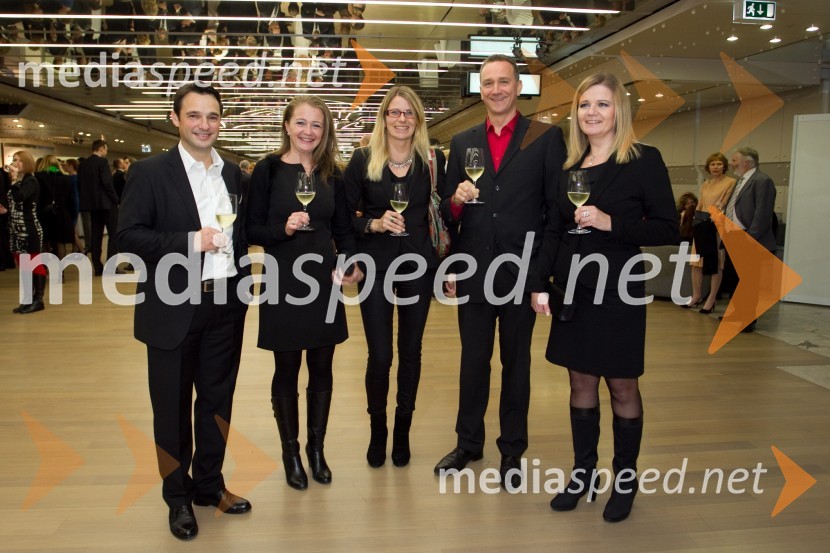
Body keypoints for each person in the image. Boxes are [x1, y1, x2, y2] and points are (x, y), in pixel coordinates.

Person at [530, 73, 678, 522]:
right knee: (579, 382)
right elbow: (553, 230)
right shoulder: (569, 166)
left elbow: (668, 228)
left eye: (602, 104)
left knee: (621, 384)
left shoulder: (642, 160)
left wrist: (611, 223)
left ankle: (625, 478)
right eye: (584, 105)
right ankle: (583, 473)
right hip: (573, 288)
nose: (591, 112)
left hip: (619, 288)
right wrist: (539, 283)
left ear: (619, 111)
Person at [117, 83, 251, 541]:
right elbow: (128, 238)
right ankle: (177, 498)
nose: (204, 124)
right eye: (194, 115)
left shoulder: (232, 175)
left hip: (226, 304)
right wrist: (190, 240)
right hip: (172, 308)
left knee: (217, 403)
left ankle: (209, 486)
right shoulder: (149, 172)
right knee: (171, 410)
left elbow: (246, 233)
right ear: (175, 119)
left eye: (212, 116)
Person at [434, 54, 566, 487]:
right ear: (480, 88)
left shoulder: (545, 139)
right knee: (473, 363)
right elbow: (449, 214)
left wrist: (540, 279)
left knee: (516, 364)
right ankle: (468, 443)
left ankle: (512, 450)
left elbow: (553, 214)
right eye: (488, 82)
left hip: (520, 273)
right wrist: (455, 202)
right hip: (474, 272)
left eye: (503, 81)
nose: (496, 90)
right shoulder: (462, 141)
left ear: (519, 85)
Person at [246, 95, 363, 490]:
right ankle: (291, 452)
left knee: (322, 367)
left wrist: (351, 263)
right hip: (282, 280)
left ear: (325, 130)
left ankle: (317, 449)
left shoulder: (334, 174)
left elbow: (344, 228)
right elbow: (250, 230)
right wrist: (284, 229)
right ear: (287, 125)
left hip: (323, 281)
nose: (308, 131)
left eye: (316, 124)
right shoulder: (267, 170)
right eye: (301, 123)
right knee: (286, 369)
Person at [344, 85, 446, 468]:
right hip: (376, 269)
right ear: (383, 117)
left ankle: (402, 429)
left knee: (411, 352)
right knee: (381, 355)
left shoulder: (432, 161)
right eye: (394, 112)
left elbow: (445, 214)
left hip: (418, 268)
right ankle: (378, 429)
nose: (401, 119)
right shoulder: (362, 160)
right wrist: (372, 223)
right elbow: (345, 217)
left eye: (409, 113)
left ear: (417, 119)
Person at [721, 146, 777, 333]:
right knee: (736, 278)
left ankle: (747, 319)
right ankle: (737, 312)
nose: (731, 163)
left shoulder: (763, 181)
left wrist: (750, 239)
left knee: (750, 282)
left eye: (734, 160)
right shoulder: (740, 181)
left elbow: (762, 214)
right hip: (735, 236)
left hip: (750, 238)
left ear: (746, 162)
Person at [684, 153, 735, 313]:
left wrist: (712, 215)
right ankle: (696, 296)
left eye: (719, 164)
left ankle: (711, 299)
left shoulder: (731, 182)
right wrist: (695, 222)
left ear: (724, 166)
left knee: (716, 264)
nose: (716, 167)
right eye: (713, 164)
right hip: (702, 225)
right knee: (696, 263)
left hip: (716, 226)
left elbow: (725, 204)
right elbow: (700, 204)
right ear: (708, 167)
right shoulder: (706, 183)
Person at [7, 150, 47, 313]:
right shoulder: (18, 181)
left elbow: (19, 197)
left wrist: (15, 180)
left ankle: (38, 299)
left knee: (33, 263)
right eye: (14, 160)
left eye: (19, 161)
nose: (16, 163)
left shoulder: (31, 181)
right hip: (16, 229)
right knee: (22, 264)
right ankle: (27, 298)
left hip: (29, 229)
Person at [77, 139, 118, 275]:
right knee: (113, 234)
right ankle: (111, 266)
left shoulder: (83, 165)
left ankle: (97, 267)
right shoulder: (102, 162)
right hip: (107, 204)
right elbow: (107, 183)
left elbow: (81, 185)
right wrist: (116, 199)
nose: (106, 152)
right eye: (105, 149)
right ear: (101, 149)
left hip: (93, 205)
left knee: (96, 236)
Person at [35, 154, 76, 260]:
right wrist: (72, 215)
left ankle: (47, 268)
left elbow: (37, 198)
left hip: (44, 213)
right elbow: (72, 200)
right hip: (62, 213)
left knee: (45, 242)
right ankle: (60, 270)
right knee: (60, 242)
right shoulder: (67, 179)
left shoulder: (38, 177)